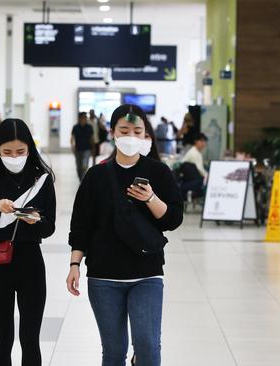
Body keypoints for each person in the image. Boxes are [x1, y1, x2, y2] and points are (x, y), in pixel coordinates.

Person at [67, 104, 183, 366]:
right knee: (114, 350)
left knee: (148, 348)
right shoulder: (96, 176)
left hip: (147, 273)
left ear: (145, 136)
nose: (131, 135)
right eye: (125, 130)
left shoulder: (158, 172)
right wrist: (75, 264)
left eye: (137, 130)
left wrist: (151, 198)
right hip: (103, 276)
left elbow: (173, 219)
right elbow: (81, 225)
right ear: (113, 133)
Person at [0, 118, 56, 366]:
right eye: (7, 152)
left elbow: (49, 227)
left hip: (31, 263)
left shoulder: (42, 179)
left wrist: (35, 220)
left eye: (20, 151)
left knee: (30, 338)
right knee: (2, 338)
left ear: (30, 148)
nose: (14, 157)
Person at [71, 112, 94, 181]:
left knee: (84, 165)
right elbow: (72, 137)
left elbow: (91, 138)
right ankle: (81, 179)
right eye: (83, 118)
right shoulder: (75, 127)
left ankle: (83, 181)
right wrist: (72, 146)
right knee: (79, 167)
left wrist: (93, 148)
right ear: (79, 118)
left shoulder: (89, 127)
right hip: (78, 149)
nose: (85, 119)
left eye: (85, 118)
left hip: (87, 149)